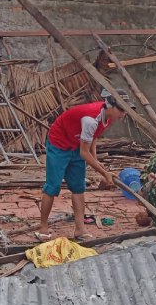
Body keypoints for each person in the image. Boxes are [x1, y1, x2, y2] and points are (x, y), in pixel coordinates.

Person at [38, 90, 135, 241]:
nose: (123, 114)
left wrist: (96, 162)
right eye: (121, 109)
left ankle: (80, 229)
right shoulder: (91, 119)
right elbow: (84, 153)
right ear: (110, 106)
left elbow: (93, 137)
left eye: (125, 110)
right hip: (59, 143)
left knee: (78, 187)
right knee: (52, 186)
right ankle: (43, 227)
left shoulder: (107, 118)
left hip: (76, 144)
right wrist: (104, 173)